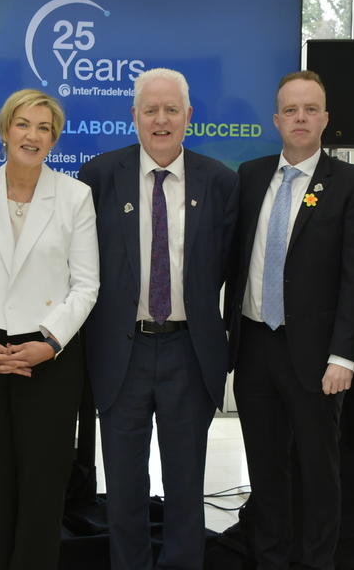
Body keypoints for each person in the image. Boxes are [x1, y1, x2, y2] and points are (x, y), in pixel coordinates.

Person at [79, 67, 238, 570]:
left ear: (189, 116)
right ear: (134, 116)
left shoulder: (220, 181)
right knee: (124, 487)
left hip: (187, 351)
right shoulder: (99, 177)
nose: (161, 120)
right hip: (121, 351)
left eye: (172, 110)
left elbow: (234, 270)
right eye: (150, 109)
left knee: (186, 484)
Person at [225, 70, 354, 570]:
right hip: (254, 348)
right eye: (291, 110)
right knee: (266, 471)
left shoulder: (352, 184)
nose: (300, 118)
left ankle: (317, 562)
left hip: (317, 357)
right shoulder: (249, 176)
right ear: (276, 119)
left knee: (318, 472)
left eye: (311, 109)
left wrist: (344, 356)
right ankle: (269, 559)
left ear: (326, 119)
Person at [0, 89, 99, 569]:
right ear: (5, 130)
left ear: (54, 138)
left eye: (44, 128)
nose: (32, 135)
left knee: (42, 484)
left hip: (48, 357)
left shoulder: (75, 196)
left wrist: (47, 344)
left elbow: (86, 285)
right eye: (24, 125)